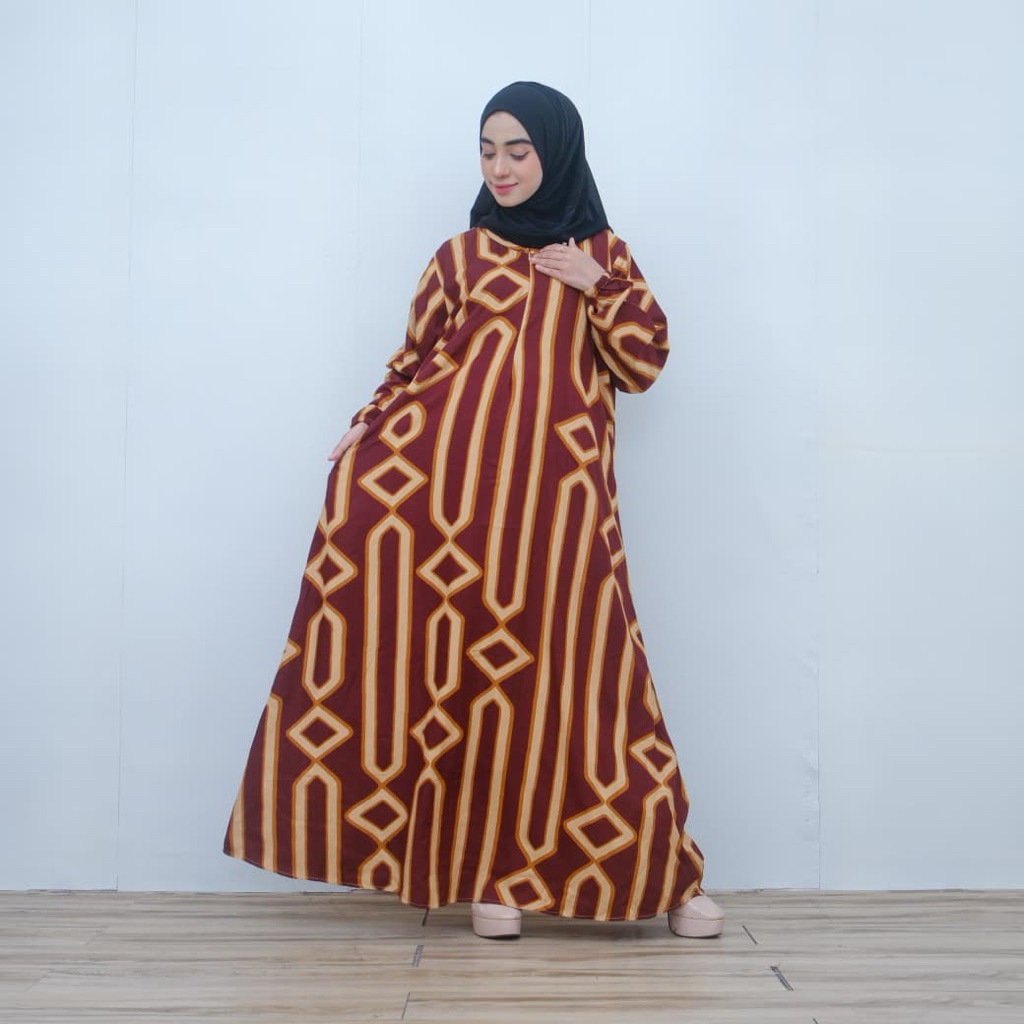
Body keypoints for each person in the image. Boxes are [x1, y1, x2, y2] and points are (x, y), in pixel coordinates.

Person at [224, 81, 724, 942]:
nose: (500, 168)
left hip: (561, 515)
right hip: (453, 514)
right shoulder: (459, 258)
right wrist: (369, 428)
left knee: (590, 680)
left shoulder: (603, 252)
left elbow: (643, 365)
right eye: (488, 151)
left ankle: (666, 874)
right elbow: (414, 363)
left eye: (518, 151)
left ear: (556, 153)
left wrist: (596, 283)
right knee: (473, 687)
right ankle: (493, 876)